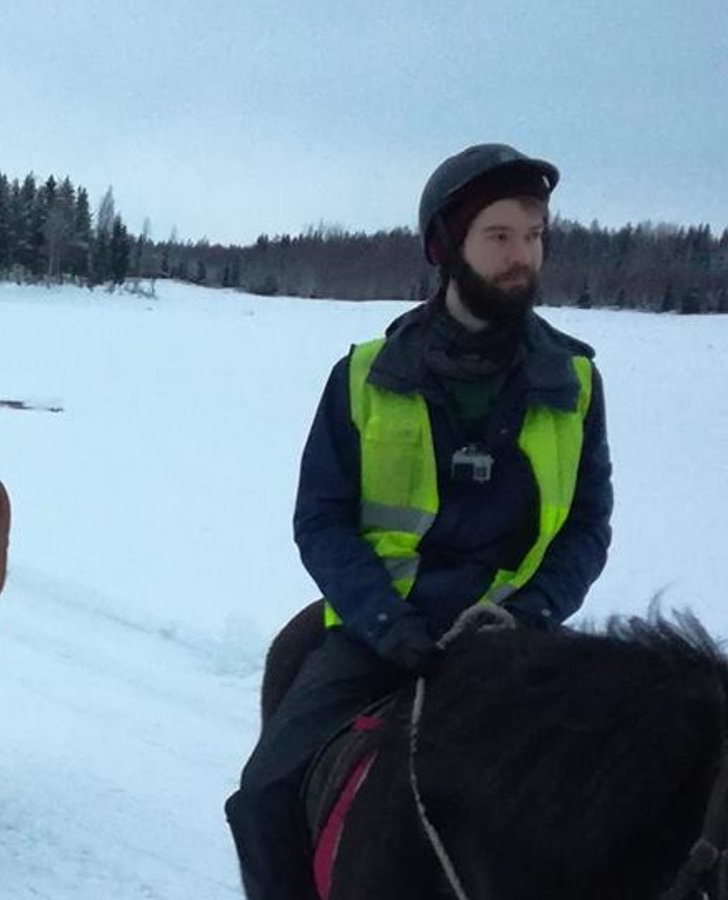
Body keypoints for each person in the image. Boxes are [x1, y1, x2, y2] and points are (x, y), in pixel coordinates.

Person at [224, 144, 615, 899]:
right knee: (264, 797)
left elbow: (587, 527)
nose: (521, 256)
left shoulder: (575, 382)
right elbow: (323, 520)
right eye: (499, 236)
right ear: (448, 248)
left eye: (533, 236)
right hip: (382, 636)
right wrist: (385, 622)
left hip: (517, 647)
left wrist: (529, 613)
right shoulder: (367, 376)